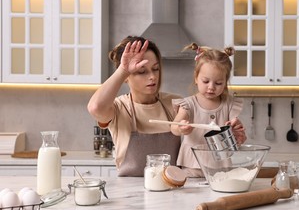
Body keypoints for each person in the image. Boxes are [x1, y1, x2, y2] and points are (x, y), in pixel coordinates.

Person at [87, 36, 182, 177]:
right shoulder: (118, 108)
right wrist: (123, 70)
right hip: (130, 191)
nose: (153, 77)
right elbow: (95, 107)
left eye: (155, 69)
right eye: (142, 71)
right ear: (126, 76)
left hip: (171, 187)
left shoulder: (175, 103)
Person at [171, 43, 247, 177]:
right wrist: (181, 128)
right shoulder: (189, 104)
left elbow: (236, 130)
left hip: (221, 169)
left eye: (218, 83)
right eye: (206, 81)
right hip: (192, 168)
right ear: (196, 78)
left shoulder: (229, 104)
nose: (211, 87)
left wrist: (237, 132)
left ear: (225, 82)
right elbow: (174, 127)